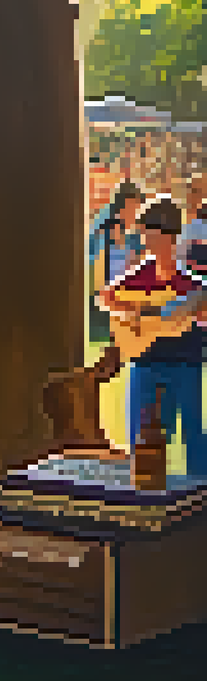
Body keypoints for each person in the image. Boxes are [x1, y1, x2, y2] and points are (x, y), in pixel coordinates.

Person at [97, 197, 207, 476]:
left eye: (151, 234)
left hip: (186, 365)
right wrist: (138, 314)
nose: (147, 241)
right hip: (145, 364)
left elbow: (200, 310)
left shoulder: (190, 284)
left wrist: (188, 311)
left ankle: (199, 489)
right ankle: (145, 486)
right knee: (142, 441)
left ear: (169, 237)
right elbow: (107, 298)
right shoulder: (139, 276)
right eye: (146, 235)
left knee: (193, 434)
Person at [88, 181, 144, 343]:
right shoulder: (103, 230)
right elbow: (95, 266)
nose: (134, 213)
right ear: (120, 207)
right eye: (130, 207)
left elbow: (140, 264)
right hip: (107, 296)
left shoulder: (137, 236)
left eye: (136, 208)